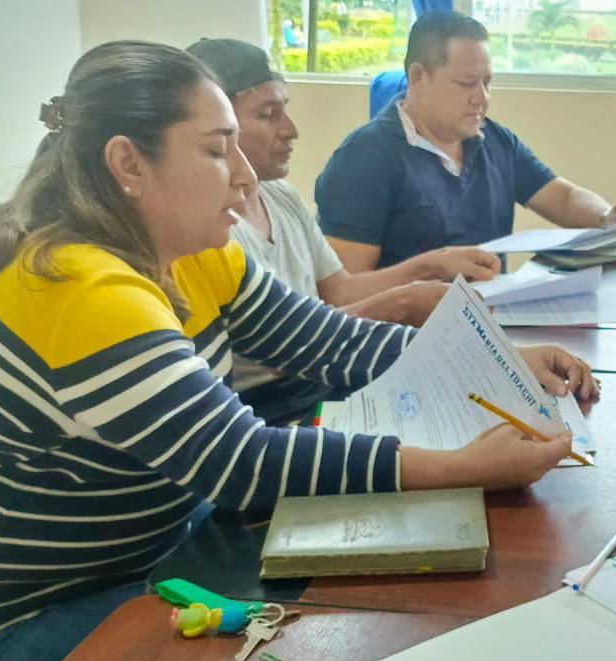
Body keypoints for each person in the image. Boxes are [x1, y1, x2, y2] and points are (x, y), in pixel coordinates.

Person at [0, 40, 597, 661]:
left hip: (150, 551)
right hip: (12, 627)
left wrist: (500, 362)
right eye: (216, 150)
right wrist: (463, 466)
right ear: (128, 163)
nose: (246, 178)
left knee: (332, 628)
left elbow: (329, 341)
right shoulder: (76, 285)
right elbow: (243, 462)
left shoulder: (188, 248)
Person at [188, 37, 495, 424]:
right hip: (270, 405)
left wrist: (431, 265)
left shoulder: (280, 196)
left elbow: (339, 291)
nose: (291, 130)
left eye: (285, 110)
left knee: (470, 400)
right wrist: (401, 303)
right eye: (268, 114)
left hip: (324, 377)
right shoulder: (207, 232)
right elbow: (277, 348)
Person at [315, 12, 616, 274]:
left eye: (487, 82)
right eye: (467, 83)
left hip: (493, 320)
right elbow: (346, 293)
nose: (481, 97)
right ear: (418, 78)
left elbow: (562, 197)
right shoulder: (364, 159)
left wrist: (607, 217)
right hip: (408, 335)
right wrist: (425, 276)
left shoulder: (493, 139)